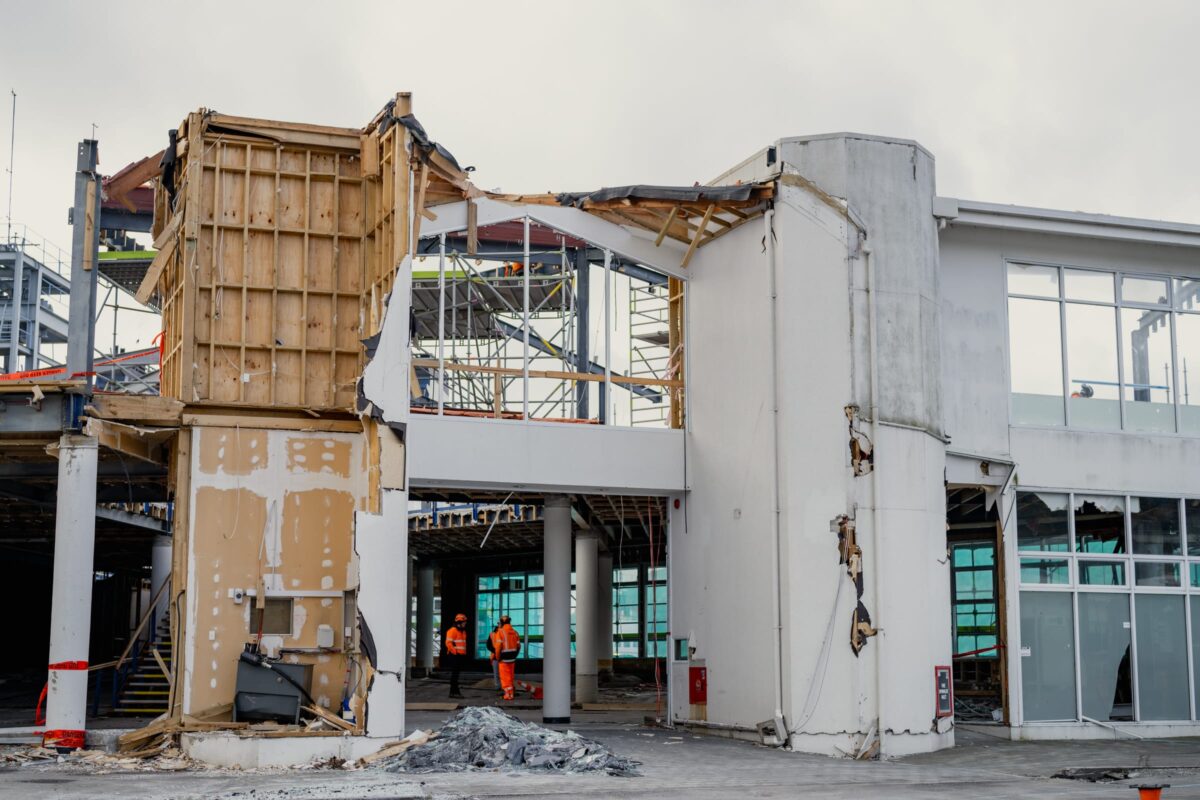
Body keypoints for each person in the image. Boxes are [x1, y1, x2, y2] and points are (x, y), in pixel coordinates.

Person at [496, 614, 521, 701]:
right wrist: (515, 655)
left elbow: (498, 646)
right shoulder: (515, 632)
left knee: (505, 677)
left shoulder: (500, 632)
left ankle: (508, 695)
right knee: (510, 676)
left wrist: (498, 657)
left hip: (504, 658)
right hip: (512, 657)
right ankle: (511, 693)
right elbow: (518, 646)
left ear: (502, 622)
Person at [445, 613, 469, 699]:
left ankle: (453, 692)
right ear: (459, 622)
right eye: (464, 622)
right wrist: (455, 652)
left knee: (456, 674)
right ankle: (454, 692)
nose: (465, 623)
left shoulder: (462, 631)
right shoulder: (452, 631)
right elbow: (448, 643)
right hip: (454, 655)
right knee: (455, 674)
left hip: (459, 656)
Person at [485, 623, 502, 690]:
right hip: (499, 656)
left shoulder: (493, 634)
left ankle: (499, 686)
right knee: (499, 673)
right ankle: (499, 686)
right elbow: (488, 645)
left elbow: (488, 645)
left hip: (496, 655)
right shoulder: (493, 634)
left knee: (497, 673)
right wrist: (495, 651)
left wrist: (494, 650)